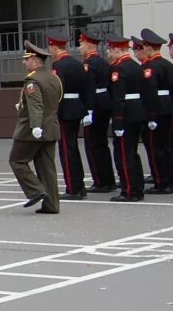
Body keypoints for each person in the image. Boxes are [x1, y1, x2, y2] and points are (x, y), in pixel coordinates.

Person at [10, 41, 61, 214]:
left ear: (35, 61)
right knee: (47, 168)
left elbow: (36, 104)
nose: (24, 63)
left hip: (32, 129)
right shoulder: (53, 77)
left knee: (17, 160)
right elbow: (54, 100)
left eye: (27, 59)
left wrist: (36, 126)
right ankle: (52, 205)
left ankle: (36, 191)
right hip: (51, 127)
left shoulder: (33, 80)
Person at [46, 34, 91, 198]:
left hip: (64, 108)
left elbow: (56, 89)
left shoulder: (58, 65)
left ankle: (73, 187)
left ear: (55, 47)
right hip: (77, 106)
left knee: (66, 149)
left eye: (50, 47)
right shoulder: (77, 64)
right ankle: (79, 185)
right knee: (73, 148)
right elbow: (86, 87)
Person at [136, 29, 173, 194]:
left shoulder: (149, 66)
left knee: (155, 147)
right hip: (168, 108)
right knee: (167, 145)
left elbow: (149, 91)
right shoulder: (168, 65)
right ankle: (170, 180)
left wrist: (151, 115)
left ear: (148, 47)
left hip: (156, 110)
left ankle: (161, 181)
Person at [107, 34, 148, 201]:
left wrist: (117, 121)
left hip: (126, 114)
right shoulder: (136, 66)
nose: (109, 52)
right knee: (132, 153)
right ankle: (138, 187)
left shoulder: (118, 68)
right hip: (138, 112)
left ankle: (129, 190)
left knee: (123, 154)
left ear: (117, 49)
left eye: (110, 49)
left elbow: (118, 97)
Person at [79, 30, 116, 193]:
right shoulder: (103, 62)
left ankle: (101, 181)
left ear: (88, 44)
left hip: (95, 105)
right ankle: (108, 179)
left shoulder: (89, 63)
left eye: (81, 43)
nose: (79, 47)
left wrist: (88, 110)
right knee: (101, 144)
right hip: (105, 103)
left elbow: (88, 87)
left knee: (93, 145)